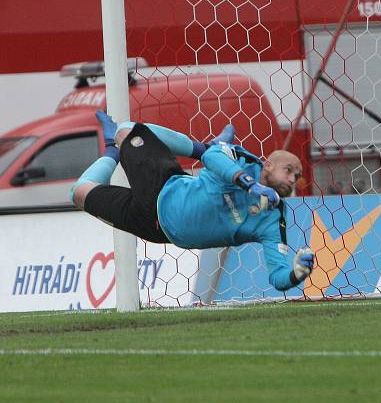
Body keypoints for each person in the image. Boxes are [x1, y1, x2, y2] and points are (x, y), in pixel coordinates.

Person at [71, 111, 315, 292]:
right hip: (163, 188)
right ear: (268, 165)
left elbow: (278, 277)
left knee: (79, 193)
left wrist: (296, 273)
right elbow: (213, 157)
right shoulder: (245, 163)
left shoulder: (273, 218)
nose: (293, 179)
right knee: (126, 130)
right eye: (289, 170)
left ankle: (111, 152)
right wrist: (249, 184)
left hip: (158, 229)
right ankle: (121, 145)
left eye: (298, 176)